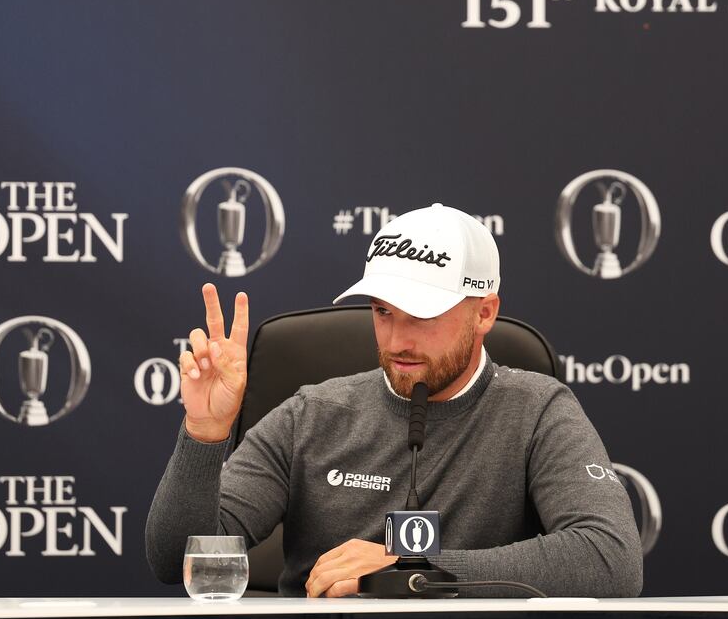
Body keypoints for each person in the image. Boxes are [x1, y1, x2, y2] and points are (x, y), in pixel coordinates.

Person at [146, 203, 642, 598]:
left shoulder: (538, 411)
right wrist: (204, 434)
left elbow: (611, 558)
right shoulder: (311, 413)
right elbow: (177, 562)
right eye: (383, 312)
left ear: (485, 312)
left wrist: (411, 568)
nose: (397, 340)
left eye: (422, 316)